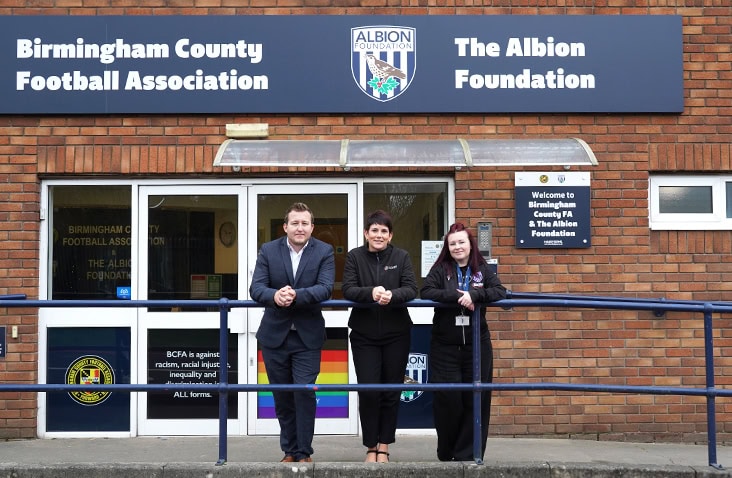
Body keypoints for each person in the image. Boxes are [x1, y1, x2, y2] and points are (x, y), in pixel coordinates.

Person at [249, 202, 335, 463]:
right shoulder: (269, 250)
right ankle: (289, 450)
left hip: (307, 337)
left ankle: (304, 451)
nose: (300, 228)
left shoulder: (324, 251)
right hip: (275, 336)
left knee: (304, 392)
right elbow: (256, 288)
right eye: (295, 223)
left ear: (312, 227)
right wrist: (275, 295)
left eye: (305, 223)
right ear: (285, 226)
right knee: (282, 396)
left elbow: (325, 288)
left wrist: (296, 295)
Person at [420, 223, 506, 462]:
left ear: (470, 245)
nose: (457, 247)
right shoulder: (441, 269)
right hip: (445, 346)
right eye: (453, 243)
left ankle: (468, 454)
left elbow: (499, 291)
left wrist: (475, 295)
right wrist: (459, 297)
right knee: (448, 399)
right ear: (447, 247)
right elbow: (427, 291)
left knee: (476, 399)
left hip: (477, 346)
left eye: (461, 242)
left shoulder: (482, 270)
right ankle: (447, 453)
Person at [342, 210, 418, 463]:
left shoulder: (401, 256)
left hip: (397, 333)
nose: (378, 235)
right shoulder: (354, 256)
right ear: (366, 233)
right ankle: (370, 446)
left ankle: (384, 445)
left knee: (390, 391)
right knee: (369, 391)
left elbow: (411, 288)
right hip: (364, 334)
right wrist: (371, 293)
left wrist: (392, 296)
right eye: (374, 230)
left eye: (383, 231)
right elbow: (349, 289)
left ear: (390, 235)